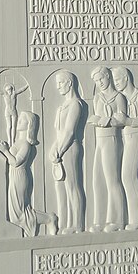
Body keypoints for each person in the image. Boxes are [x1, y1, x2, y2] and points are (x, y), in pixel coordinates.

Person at [0, 111, 57, 237]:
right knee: (15, 213)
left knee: (19, 214)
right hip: (14, 177)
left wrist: (5, 150)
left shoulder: (26, 144)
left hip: (20, 177)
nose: (18, 122)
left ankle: (49, 218)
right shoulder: (17, 142)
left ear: (29, 125)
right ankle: (45, 220)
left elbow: (15, 162)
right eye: (19, 119)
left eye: (22, 120)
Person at [87, 66, 126, 232]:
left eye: (101, 79)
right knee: (98, 181)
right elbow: (96, 117)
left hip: (112, 139)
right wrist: (98, 120)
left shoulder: (119, 97)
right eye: (96, 80)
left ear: (108, 77)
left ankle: (118, 219)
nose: (99, 83)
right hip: (100, 140)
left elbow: (122, 120)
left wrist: (106, 120)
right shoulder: (98, 97)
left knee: (112, 180)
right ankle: (100, 219)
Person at [111, 67, 138, 229]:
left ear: (126, 78)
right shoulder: (123, 97)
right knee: (137, 177)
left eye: (118, 80)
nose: (116, 83)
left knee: (128, 176)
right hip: (127, 138)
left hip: (137, 136)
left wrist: (126, 120)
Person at [49, 70, 87, 234]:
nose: (58, 87)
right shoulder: (63, 106)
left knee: (73, 186)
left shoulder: (75, 104)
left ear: (69, 83)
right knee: (63, 188)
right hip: (61, 149)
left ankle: (77, 224)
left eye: (60, 83)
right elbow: (59, 132)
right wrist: (53, 149)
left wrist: (59, 150)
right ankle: (67, 222)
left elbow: (70, 132)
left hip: (70, 149)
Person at [0, 79, 28, 146]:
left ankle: (13, 140)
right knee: (9, 126)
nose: (9, 91)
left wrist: (27, 85)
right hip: (7, 111)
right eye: (7, 90)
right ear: (6, 90)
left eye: (10, 89)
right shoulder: (5, 94)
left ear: (12, 89)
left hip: (13, 111)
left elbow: (21, 90)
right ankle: (9, 139)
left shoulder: (14, 94)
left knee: (14, 126)